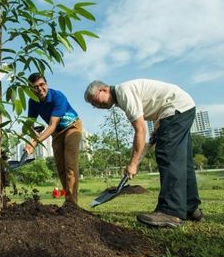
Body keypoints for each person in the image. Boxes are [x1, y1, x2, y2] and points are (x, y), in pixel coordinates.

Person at [84, 78, 203, 227]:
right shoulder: (124, 94)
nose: (95, 106)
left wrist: (133, 163)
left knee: (168, 157)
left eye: (94, 100)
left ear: (103, 89)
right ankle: (191, 208)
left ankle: (171, 212)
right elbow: (156, 104)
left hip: (175, 108)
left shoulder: (123, 92)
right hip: (182, 107)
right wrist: (158, 127)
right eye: (92, 105)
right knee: (183, 161)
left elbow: (140, 130)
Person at [24, 73, 82, 205]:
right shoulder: (32, 101)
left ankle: (71, 204)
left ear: (47, 84)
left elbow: (51, 125)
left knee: (70, 165)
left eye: (42, 85)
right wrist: (31, 138)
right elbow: (29, 124)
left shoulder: (57, 97)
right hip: (57, 133)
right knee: (61, 167)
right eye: (35, 87)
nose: (39, 89)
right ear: (30, 90)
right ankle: (69, 201)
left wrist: (35, 143)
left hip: (72, 127)